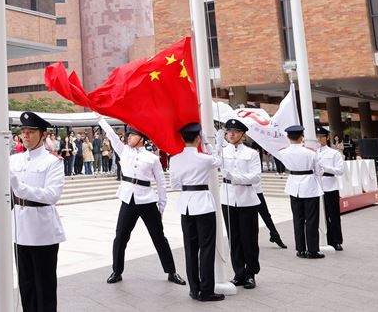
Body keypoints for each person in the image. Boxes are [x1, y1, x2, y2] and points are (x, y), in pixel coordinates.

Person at [98, 118, 184, 285]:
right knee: (120, 237)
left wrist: (162, 205)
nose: (128, 138)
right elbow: (112, 136)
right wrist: (100, 119)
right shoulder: (124, 151)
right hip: (128, 199)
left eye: (132, 135)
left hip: (147, 200)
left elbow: (161, 183)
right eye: (128, 135)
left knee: (159, 237)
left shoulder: (152, 158)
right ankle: (117, 271)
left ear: (141, 138)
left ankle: (171, 272)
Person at [10, 112, 66, 311]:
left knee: (45, 287)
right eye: (23, 131)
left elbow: (52, 195)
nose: (26, 135)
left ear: (43, 135)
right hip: (19, 229)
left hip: (43, 232)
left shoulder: (53, 162)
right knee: (26, 286)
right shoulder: (14, 160)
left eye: (31, 132)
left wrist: (20, 187)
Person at [168, 123, 224, 302]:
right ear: (198, 138)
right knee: (206, 249)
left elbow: (175, 185)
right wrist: (208, 144)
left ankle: (194, 289)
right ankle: (207, 291)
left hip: (186, 204)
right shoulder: (204, 158)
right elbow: (218, 160)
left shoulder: (174, 159)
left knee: (190, 249)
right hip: (203, 205)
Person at [219, 119, 261, 289]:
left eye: (235, 131)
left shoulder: (251, 153)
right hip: (228, 198)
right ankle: (238, 273)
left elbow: (256, 176)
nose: (231, 134)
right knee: (233, 238)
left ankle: (251, 273)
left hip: (247, 199)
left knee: (249, 238)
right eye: (229, 131)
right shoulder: (221, 152)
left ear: (243, 135)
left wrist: (235, 178)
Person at [275, 125, 324, 259]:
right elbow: (319, 171)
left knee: (298, 219)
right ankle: (312, 250)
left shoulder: (282, 152)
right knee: (312, 220)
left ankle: (300, 249)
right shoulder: (311, 152)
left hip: (293, 185)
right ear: (302, 137)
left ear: (288, 137)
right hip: (309, 186)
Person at [317, 127, 345, 251]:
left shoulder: (334, 153)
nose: (319, 139)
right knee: (319, 216)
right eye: (317, 136)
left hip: (330, 187)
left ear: (327, 138)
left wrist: (324, 168)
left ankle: (336, 241)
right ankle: (324, 239)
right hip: (316, 188)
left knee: (333, 216)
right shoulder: (313, 152)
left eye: (321, 136)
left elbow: (340, 170)